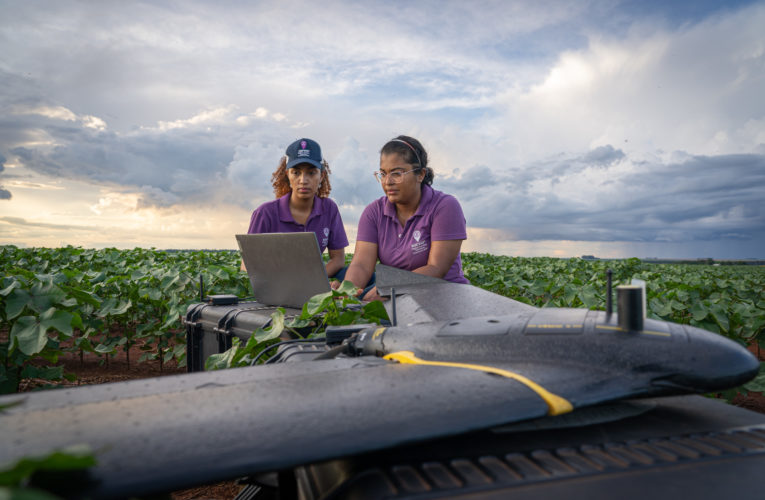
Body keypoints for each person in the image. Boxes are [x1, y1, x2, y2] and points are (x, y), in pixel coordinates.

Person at [340, 135, 468, 301]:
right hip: (396, 299)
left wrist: (389, 288)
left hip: (443, 296)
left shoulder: (445, 207)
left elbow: (436, 269)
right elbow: (362, 265)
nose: (387, 182)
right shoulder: (373, 212)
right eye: (383, 174)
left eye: (397, 173)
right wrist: (346, 295)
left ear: (420, 174)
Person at [245, 138, 348, 278]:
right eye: (296, 172)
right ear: (287, 175)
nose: (303, 180)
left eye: (311, 173)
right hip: (275, 283)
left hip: (314, 281)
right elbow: (247, 264)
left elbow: (338, 259)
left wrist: (313, 281)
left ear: (322, 176)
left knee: (350, 274)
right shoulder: (265, 213)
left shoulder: (329, 209)